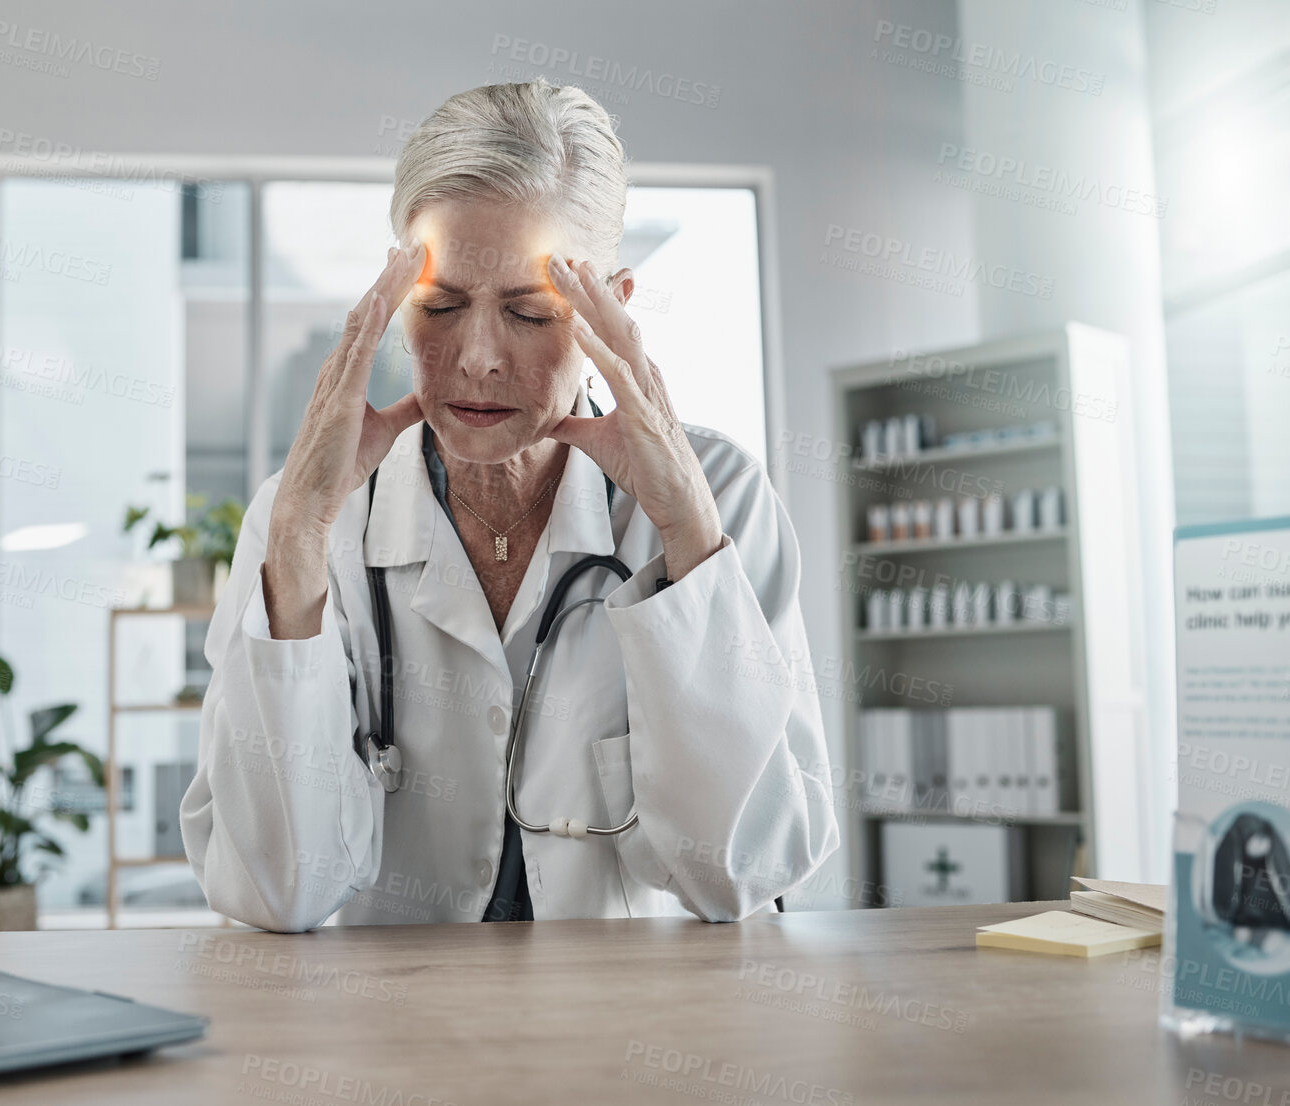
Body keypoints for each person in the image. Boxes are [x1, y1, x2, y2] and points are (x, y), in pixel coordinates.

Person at [181, 78, 837, 932]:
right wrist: (299, 536)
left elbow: (747, 874)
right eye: (440, 306)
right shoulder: (310, 512)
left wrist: (687, 539)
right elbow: (276, 894)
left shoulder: (721, 497)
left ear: (613, 310)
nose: (478, 358)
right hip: (392, 1039)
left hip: (643, 1036)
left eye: (529, 313)